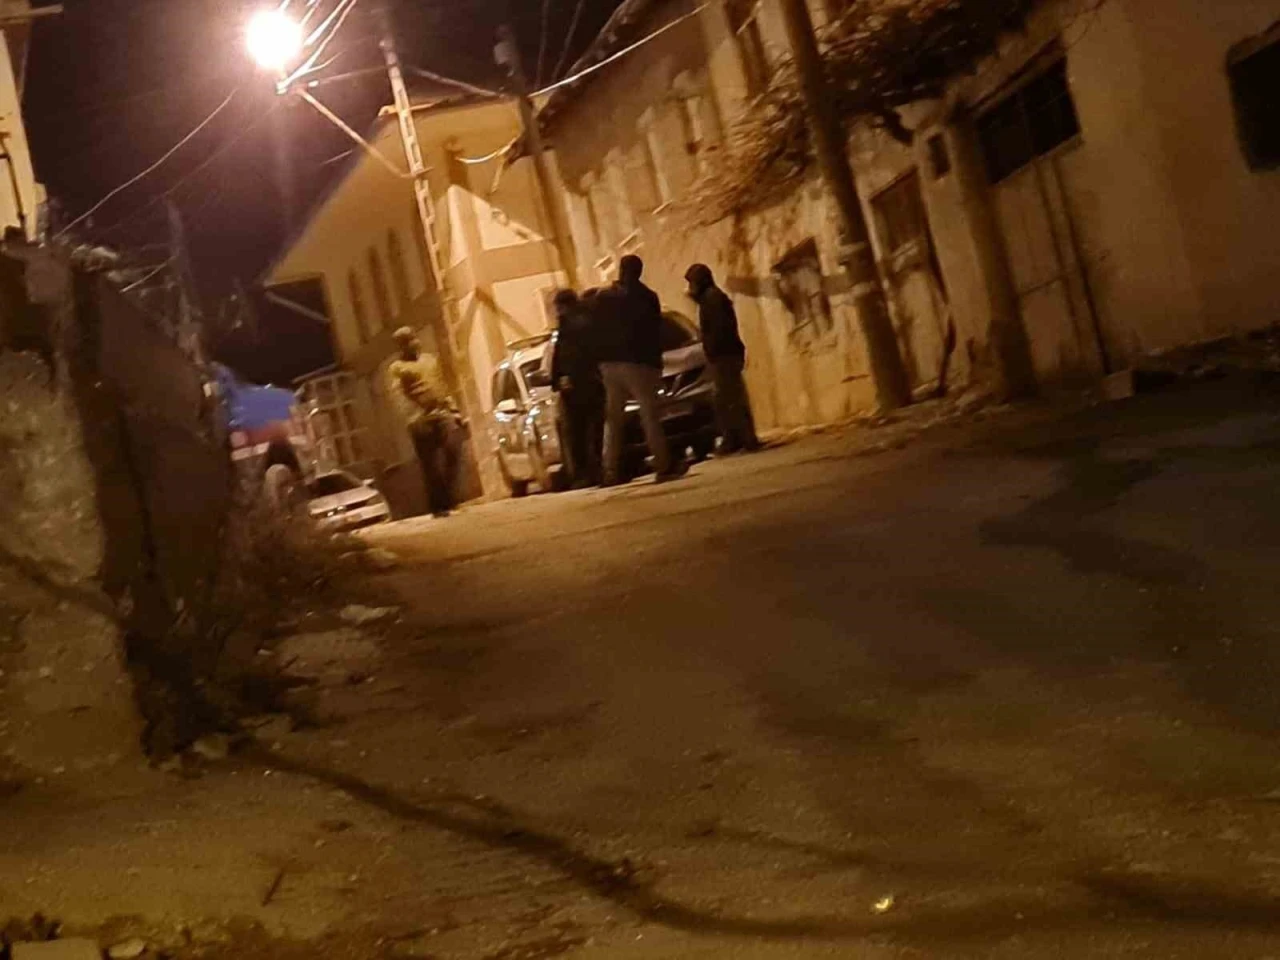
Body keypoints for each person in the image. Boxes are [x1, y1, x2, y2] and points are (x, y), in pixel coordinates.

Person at [597, 255, 686, 485]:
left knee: (613, 419)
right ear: (639, 272)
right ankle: (663, 465)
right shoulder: (647, 297)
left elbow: (595, 328)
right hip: (639, 363)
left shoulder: (605, 297)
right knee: (650, 416)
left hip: (610, 364)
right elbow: (655, 331)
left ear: (620, 270)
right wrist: (656, 363)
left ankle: (610, 470)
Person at [685, 263, 759, 454]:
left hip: (724, 356)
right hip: (725, 355)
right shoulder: (711, 298)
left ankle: (741, 439)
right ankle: (739, 438)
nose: (690, 287)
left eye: (692, 283)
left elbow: (719, 330)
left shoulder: (712, 299)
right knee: (729, 398)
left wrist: (713, 350)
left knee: (729, 399)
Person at [387, 327, 461, 517]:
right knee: (431, 466)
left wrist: (453, 409)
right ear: (401, 346)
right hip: (420, 419)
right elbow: (398, 395)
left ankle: (448, 496)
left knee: (453, 449)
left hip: (441, 413)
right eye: (407, 341)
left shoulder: (430, 360)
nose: (413, 343)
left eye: (413, 338)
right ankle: (439, 506)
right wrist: (413, 415)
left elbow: (442, 386)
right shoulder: (398, 368)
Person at [550, 288, 605, 488]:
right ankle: (596, 469)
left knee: (578, 433)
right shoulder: (586, 321)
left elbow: (565, 356)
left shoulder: (569, 326)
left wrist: (559, 379)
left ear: (563, 306)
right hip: (591, 384)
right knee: (594, 429)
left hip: (577, 388)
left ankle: (586, 473)